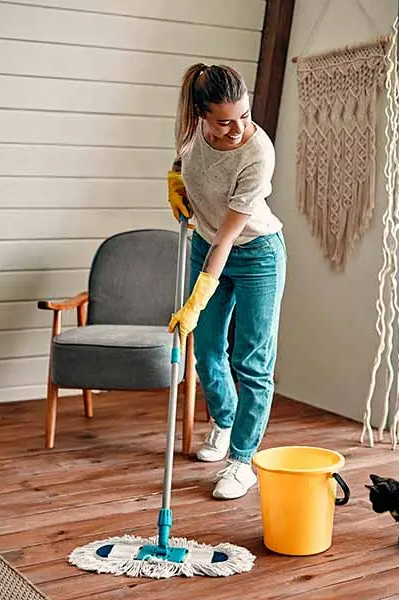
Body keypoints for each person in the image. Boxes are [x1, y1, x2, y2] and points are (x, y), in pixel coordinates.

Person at [166, 63, 286, 500]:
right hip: (204, 244)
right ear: (202, 117)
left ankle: (241, 460)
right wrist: (174, 183)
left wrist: (196, 299)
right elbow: (183, 163)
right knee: (209, 351)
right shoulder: (189, 131)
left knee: (252, 361)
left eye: (245, 116)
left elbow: (227, 238)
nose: (237, 129)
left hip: (255, 253)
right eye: (224, 121)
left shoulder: (258, 153)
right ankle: (225, 420)